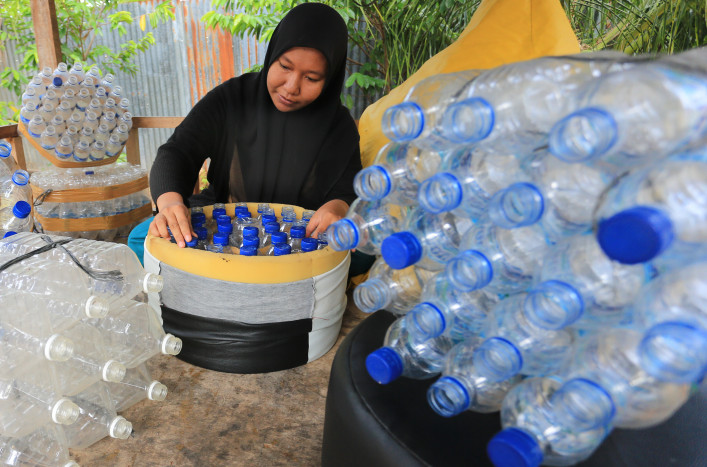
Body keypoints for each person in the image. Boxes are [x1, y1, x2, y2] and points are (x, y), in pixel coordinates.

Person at [148, 3, 361, 248]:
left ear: (330, 79)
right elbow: (177, 152)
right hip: (222, 227)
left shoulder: (338, 127)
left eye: (311, 78)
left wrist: (336, 208)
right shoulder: (232, 99)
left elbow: (347, 191)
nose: (291, 87)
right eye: (285, 66)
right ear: (273, 54)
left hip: (300, 241)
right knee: (143, 236)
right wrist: (170, 203)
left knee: (361, 254)